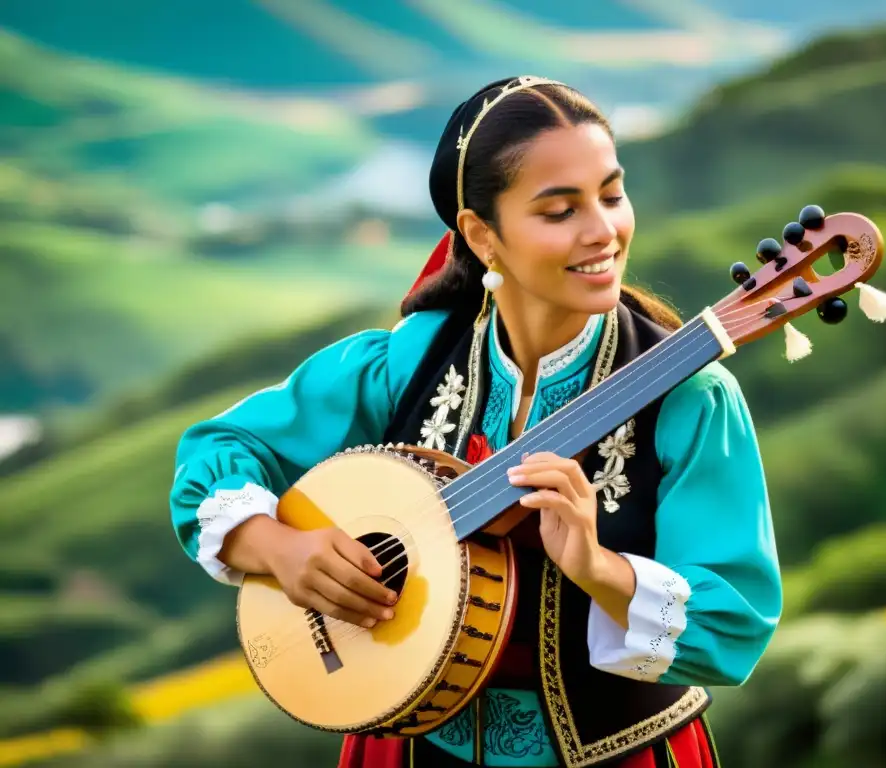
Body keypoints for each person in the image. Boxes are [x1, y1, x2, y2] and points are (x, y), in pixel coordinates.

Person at [170, 75, 783, 768]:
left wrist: (598, 566)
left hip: (617, 755)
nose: (603, 230)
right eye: (559, 210)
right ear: (481, 234)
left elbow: (735, 627)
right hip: (406, 747)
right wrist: (279, 549)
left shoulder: (692, 398)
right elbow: (219, 449)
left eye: (612, 195)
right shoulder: (407, 359)